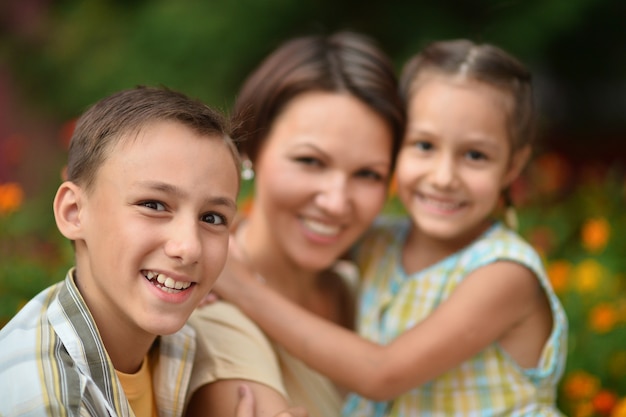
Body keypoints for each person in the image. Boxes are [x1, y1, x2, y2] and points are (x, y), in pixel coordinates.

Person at [211, 39, 569, 416]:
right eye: (424, 145)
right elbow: (284, 232)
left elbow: (381, 374)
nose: (444, 177)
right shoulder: (381, 243)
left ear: (513, 166)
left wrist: (238, 283)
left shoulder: (503, 273)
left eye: (475, 155)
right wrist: (211, 246)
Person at [185, 31, 405, 417]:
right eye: (310, 161)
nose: (336, 202)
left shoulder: (368, 292)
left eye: (368, 174)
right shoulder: (213, 315)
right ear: (250, 148)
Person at [0, 85, 249, 416]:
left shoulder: (180, 342)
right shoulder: (49, 400)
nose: (188, 247)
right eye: (153, 204)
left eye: (212, 218)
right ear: (74, 213)